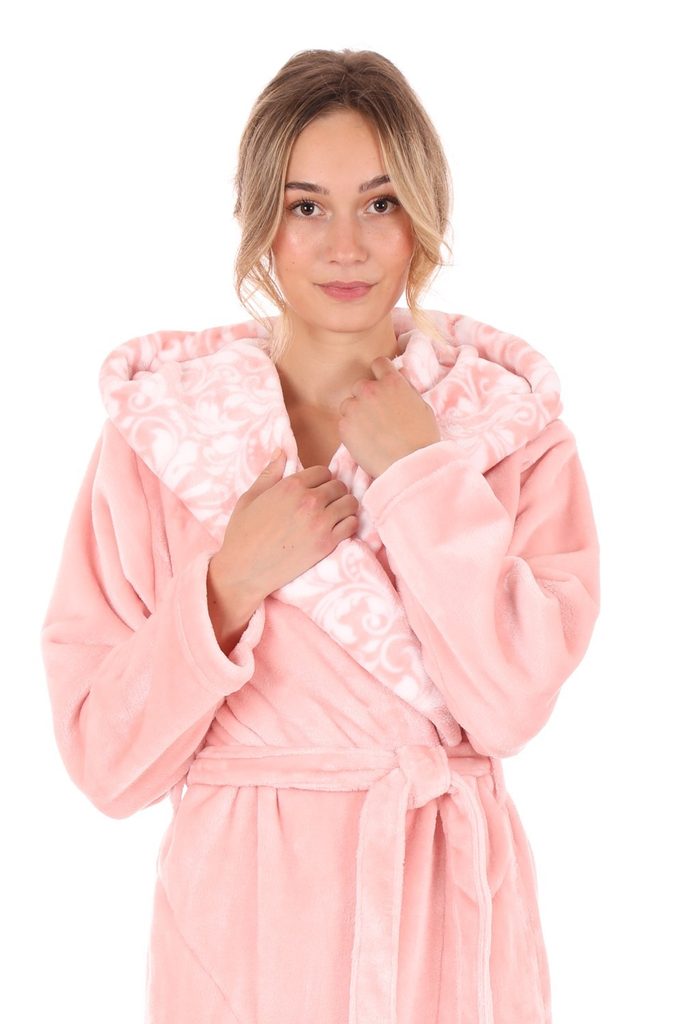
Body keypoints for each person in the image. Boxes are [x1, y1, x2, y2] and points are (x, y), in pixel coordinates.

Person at [40, 48, 601, 1024]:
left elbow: (511, 706)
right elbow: (104, 761)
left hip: (441, 922)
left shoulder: (508, 434)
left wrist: (420, 474)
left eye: (379, 203)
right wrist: (226, 587)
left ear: (423, 216)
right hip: (241, 940)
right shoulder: (164, 439)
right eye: (307, 207)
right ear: (261, 223)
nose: (346, 245)